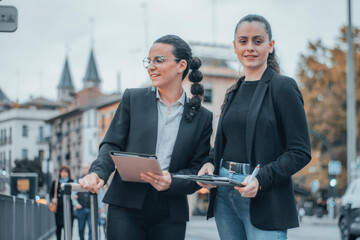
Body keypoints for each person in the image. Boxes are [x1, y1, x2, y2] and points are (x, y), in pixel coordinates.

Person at [79, 34, 213, 240]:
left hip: (171, 212)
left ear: (181, 65)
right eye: (148, 61)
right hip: (125, 206)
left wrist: (173, 181)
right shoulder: (133, 99)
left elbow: (197, 170)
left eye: (158, 60)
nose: (151, 66)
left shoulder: (203, 117)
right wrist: (98, 173)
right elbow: (112, 144)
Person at [197, 14, 311, 240]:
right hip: (224, 193)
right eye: (243, 41)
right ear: (235, 46)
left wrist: (261, 178)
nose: (250, 47)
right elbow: (227, 142)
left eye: (257, 41)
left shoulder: (283, 87)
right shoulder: (233, 91)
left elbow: (300, 152)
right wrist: (209, 164)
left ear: (271, 46)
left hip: (264, 195)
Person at [50, 165, 75, 240]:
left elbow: (75, 193)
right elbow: (51, 193)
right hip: (59, 208)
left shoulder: (72, 182)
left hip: (69, 207)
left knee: (68, 226)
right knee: (58, 227)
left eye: (65, 172)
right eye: (62, 172)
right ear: (60, 173)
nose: (64, 173)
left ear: (68, 173)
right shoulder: (55, 183)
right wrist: (52, 199)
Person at [74, 163, 92, 240]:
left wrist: (100, 207)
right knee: (81, 228)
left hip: (91, 208)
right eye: (84, 168)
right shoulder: (78, 179)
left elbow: (99, 192)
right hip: (80, 208)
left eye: (87, 168)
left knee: (92, 228)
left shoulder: (92, 180)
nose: (86, 169)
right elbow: (73, 194)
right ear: (82, 169)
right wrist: (76, 203)